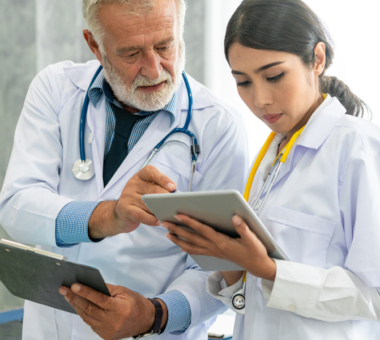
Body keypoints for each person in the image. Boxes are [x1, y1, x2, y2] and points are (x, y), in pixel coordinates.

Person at [0, 0, 249, 339]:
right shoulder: (56, 91)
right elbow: (16, 206)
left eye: (165, 45)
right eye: (131, 54)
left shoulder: (219, 128)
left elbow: (222, 270)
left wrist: (152, 314)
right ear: (94, 45)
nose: (153, 68)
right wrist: (107, 217)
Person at [163, 0, 380, 339]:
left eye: (274, 75)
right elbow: (258, 302)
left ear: (317, 59)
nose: (260, 99)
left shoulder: (358, 148)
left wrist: (269, 270)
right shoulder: (270, 157)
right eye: (243, 82)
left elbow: (375, 295)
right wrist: (227, 260)